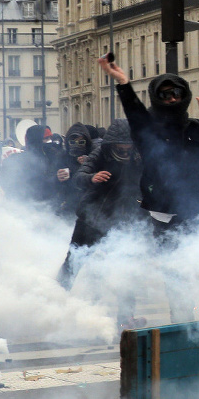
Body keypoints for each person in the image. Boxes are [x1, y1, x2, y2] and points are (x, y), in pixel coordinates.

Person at [98, 56, 199, 323]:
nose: (172, 99)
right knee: (175, 275)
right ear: (156, 98)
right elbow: (137, 116)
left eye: (176, 93)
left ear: (185, 95)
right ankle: (182, 326)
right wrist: (124, 84)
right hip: (163, 216)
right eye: (165, 95)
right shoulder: (149, 133)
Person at [57, 119, 148, 328]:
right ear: (111, 145)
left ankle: (125, 317)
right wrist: (92, 177)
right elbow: (79, 177)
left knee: (126, 269)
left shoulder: (138, 157)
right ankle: (52, 306)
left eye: (128, 147)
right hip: (92, 218)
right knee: (74, 262)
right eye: (120, 148)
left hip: (123, 220)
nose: (124, 152)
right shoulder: (99, 154)